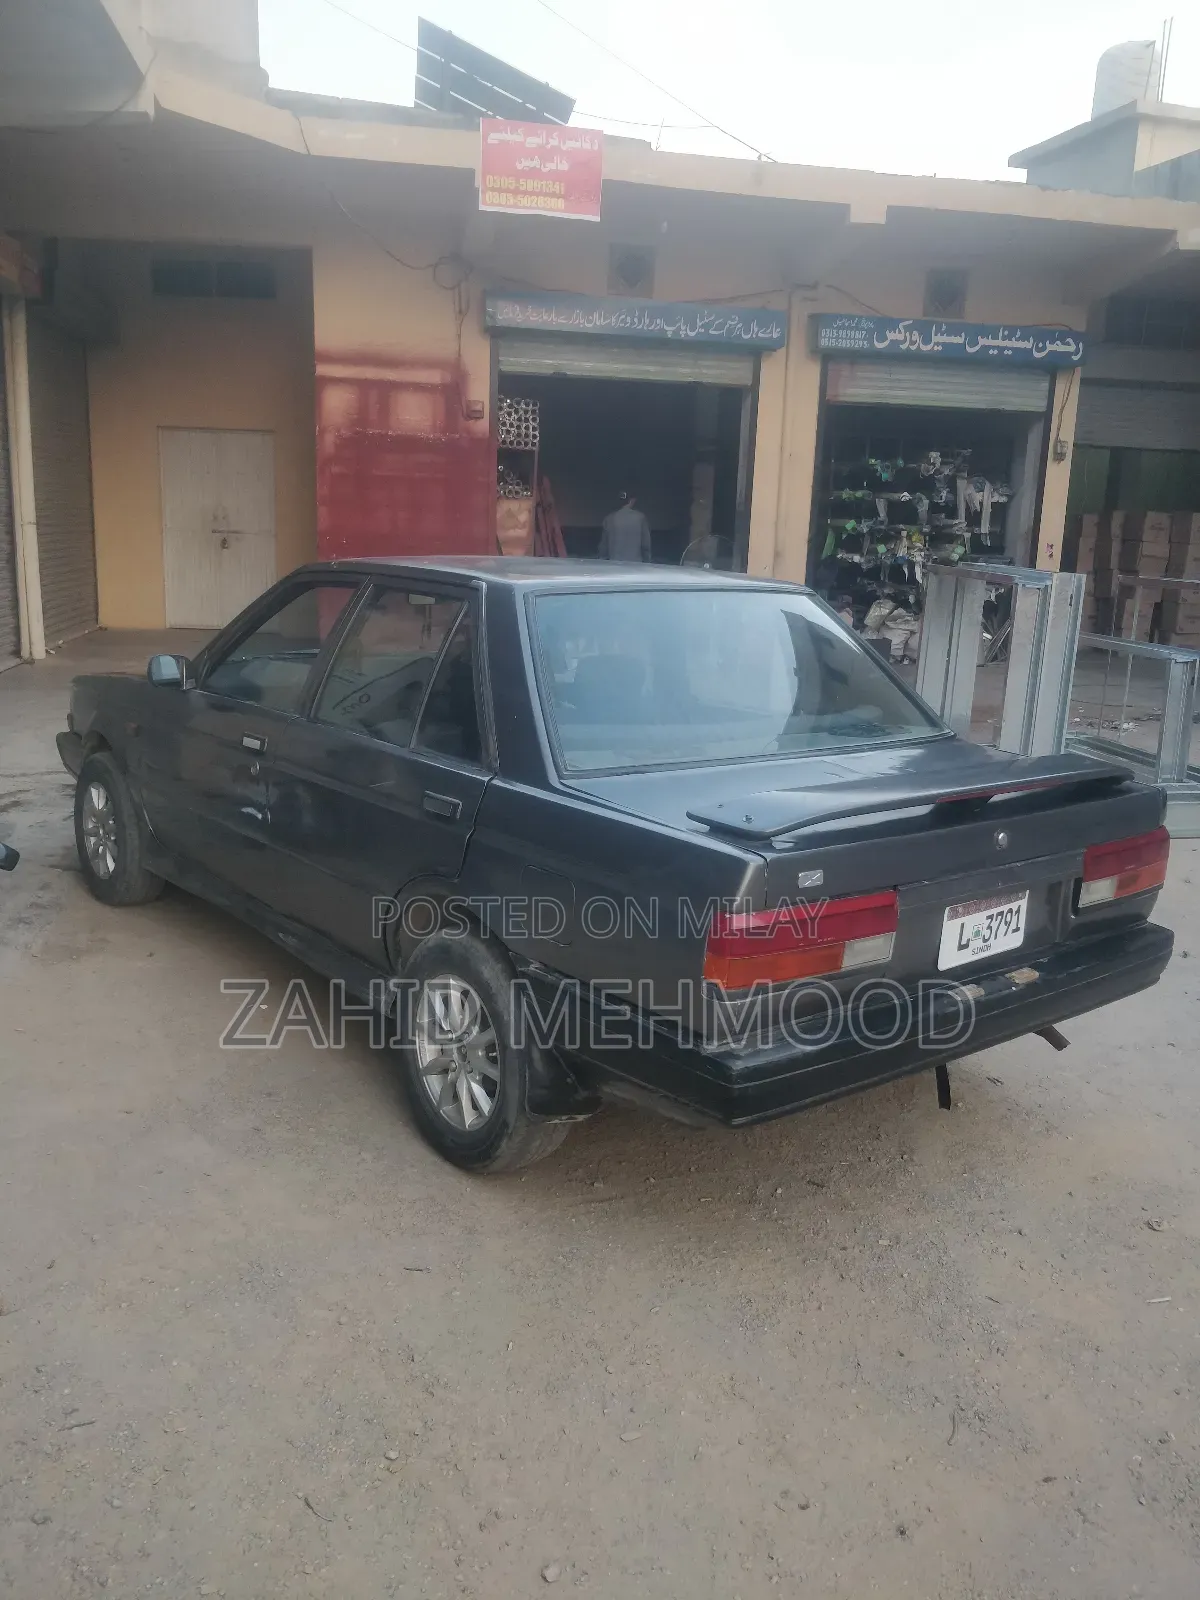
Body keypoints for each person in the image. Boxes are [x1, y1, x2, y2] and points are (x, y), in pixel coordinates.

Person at [598, 491, 652, 563]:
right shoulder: (640, 517)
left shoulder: (609, 518)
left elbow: (603, 547)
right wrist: (647, 561)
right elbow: (646, 545)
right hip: (636, 564)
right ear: (632, 500)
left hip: (613, 563)